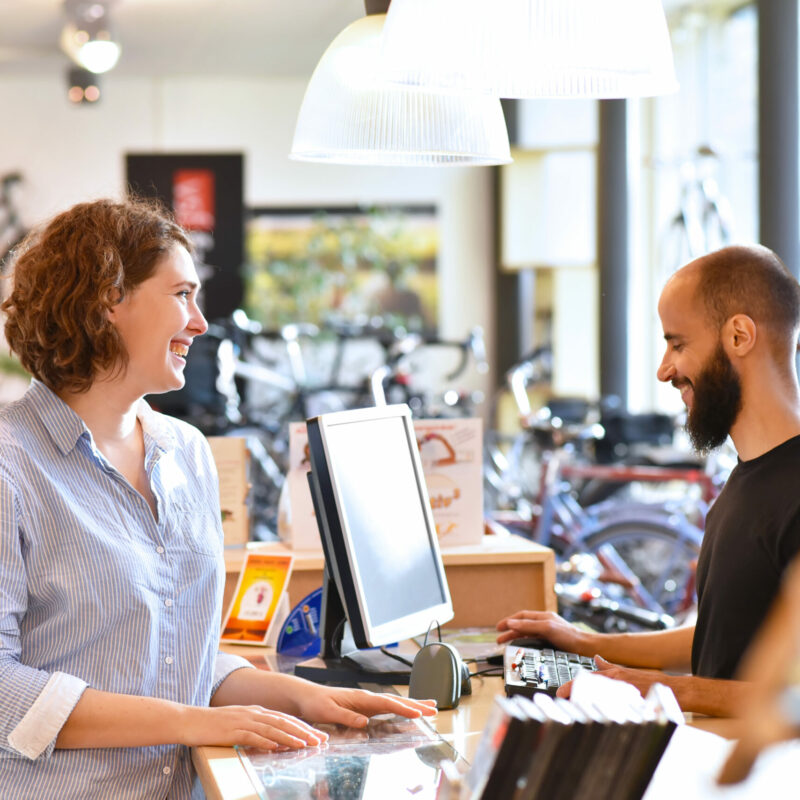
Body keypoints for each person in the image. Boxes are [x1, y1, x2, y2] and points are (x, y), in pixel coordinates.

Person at [0, 198, 435, 799]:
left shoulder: (186, 452)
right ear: (107, 302)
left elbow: (180, 658)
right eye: (181, 294)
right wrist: (193, 722)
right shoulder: (10, 466)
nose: (201, 322)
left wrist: (306, 697)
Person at [497, 243, 800, 717]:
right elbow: (721, 638)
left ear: (739, 335)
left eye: (678, 344)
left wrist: (661, 689)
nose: (665, 370)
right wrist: (586, 642)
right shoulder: (748, 479)